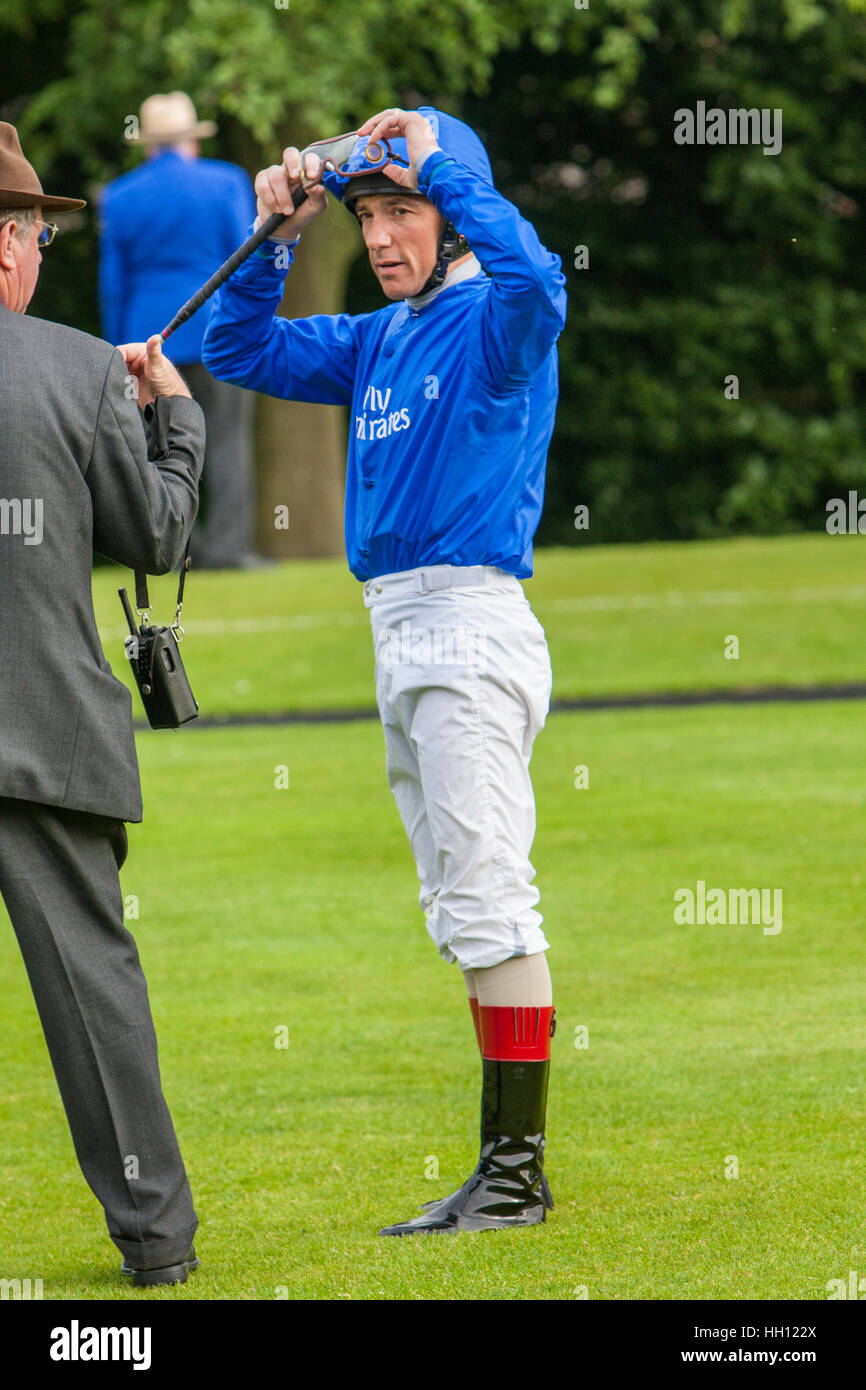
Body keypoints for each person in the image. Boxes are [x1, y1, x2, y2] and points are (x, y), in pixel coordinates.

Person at [202, 105, 567, 1235]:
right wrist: (274, 236)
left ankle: (513, 1177)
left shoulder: (498, 320)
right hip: (398, 634)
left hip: (465, 626)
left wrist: (445, 176)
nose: (380, 235)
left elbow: (541, 282)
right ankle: (503, 1169)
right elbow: (237, 350)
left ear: (449, 213)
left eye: (399, 210)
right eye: (366, 215)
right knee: (459, 904)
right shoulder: (374, 337)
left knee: (490, 898)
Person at [0, 121, 204, 1285]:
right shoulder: (78, 370)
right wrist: (169, 417)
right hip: (43, 739)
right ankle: (156, 1245)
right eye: (34, 236)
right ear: (9, 246)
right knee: (94, 1001)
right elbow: (157, 531)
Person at [99, 90, 267, 569]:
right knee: (228, 440)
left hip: (147, 337)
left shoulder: (121, 195)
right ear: (191, 139)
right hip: (218, 331)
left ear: (149, 144)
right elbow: (244, 261)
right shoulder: (226, 183)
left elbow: (114, 284)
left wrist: (119, 350)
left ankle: (162, 548)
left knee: (154, 447)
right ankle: (229, 548)